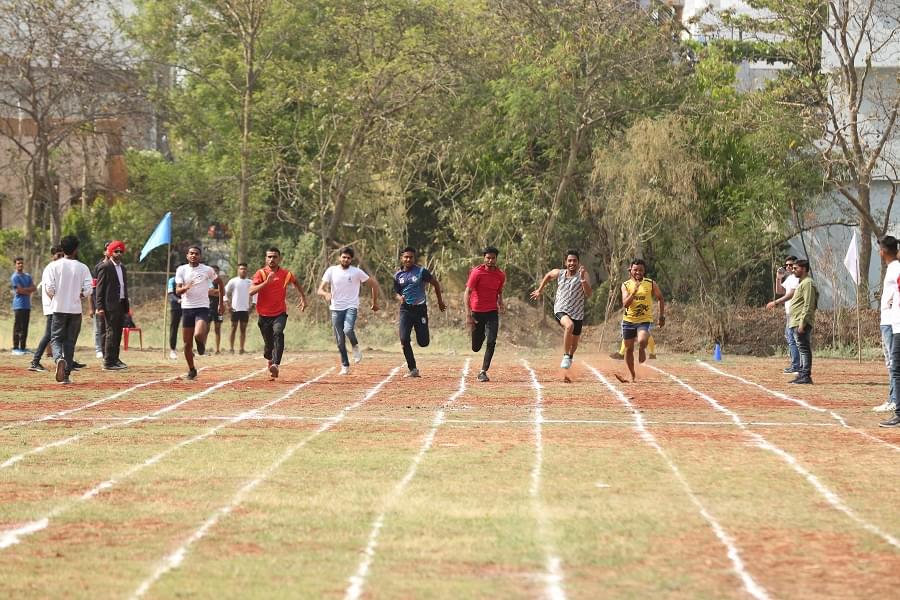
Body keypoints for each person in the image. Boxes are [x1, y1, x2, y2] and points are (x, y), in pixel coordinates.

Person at [530, 250, 592, 379]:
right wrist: (540, 290)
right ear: (565, 262)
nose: (572, 263)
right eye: (569, 260)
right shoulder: (559, 273)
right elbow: (548, 276)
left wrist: (582, 279)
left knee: (574, 345)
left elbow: (589, 294)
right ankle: (565, 355)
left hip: (577, 313)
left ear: (578, 262)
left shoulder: (584, 275)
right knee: (569, 326)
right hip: (561, 309)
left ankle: (569, 356)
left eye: (574, 260)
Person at [317, 247, 379, 374]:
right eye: (343, 257)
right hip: (336, 308)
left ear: (352, 259)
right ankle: (345, 365)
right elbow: (320, 289)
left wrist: (374, 302)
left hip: (351, 306)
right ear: (339, 257)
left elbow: (373, 284)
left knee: (348, 329)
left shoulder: (356, 272)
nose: (345, 259)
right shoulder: (331, 270)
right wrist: (326, 294)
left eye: (348, 258)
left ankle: (355, 346)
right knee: (340, 340)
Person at [249, 247, 307, 380]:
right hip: (263, 316)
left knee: (278, 332)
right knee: (268, 346)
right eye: (269, 257)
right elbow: (251, 291)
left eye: (274, 257)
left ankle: (276, 364)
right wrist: (266, 283)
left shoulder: (286, 274)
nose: (272, 259)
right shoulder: (261, 273)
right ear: (265, 258)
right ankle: (269, 358)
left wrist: (303, 297)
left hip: (279, 313)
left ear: (279, 258)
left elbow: (296, 282)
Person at [43, 235, 93, 384]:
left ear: (62, 248)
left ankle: (59, 359)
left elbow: (49, 288)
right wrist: (81, 294)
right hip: (75, 309)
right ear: (76, 250)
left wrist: (54, 297)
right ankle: (66, 375)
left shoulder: (53, 266)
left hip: (58, 308)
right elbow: (89, 288)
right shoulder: (82, 267)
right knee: (70, 342)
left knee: (56, 339)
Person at [393, 246, 446, 378]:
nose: (408, 259)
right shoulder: (398, 275)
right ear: (401, 258)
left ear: (414, 258)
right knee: (404, 339)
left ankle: (422, 332)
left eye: (410, 257)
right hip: (406, 309)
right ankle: (413, 369)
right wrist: (400, 298)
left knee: (423, 342)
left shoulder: (422, 271)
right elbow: (396, 292)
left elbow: (436, 284)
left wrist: (440, 301)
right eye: (405, 257)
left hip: (420, 310)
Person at [174, 246, 225, 380]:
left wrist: (221, 303)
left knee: (199, 334)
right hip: (187, 308)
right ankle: (192, 369)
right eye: (191, 253)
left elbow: (220, 283)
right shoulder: (181, 270)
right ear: (187, 255)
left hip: (202, 307)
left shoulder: (207, 270)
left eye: (196, 254)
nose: (193, 256)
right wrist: (186, 287)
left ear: (200, 256)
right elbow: (177, 291)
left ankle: (201, 345)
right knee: (187, 344)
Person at [620, 258, 665, 382]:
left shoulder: (650, 283)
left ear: (644, 271)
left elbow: (660, 298)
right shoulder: (625, 285)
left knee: (642, 339)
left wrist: (661, 316)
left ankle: (641, 349)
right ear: (631, 270)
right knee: (628, 349)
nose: (638, 272)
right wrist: (633, 292)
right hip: (628, 321)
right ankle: (632, 374)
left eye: (641, 270)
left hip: (643, 320)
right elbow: (625, 304)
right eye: (635, 270)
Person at [464, 246, 505, 382]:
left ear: (496, 259)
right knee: (476, 347)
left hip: (492, 312)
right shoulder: (477, 273)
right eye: (488, 258)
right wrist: (468, 315)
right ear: (484, 258)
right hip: (477, 313)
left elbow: (499, 291)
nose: (490, 260)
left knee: (491, 341)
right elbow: (467, 293)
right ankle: (479, 337)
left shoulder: (500, 275)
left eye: (493, 258)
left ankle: (483, 371)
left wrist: (501, 303)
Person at [95, 240, 130, 371]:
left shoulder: (123, 268)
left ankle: (115, 358)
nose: (119, 253)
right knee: (110, 332)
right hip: (109, 304)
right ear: (110, 252)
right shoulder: (105, 267)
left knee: (118, 332)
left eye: (121, 251)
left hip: (121, 303)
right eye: (116, 251)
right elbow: (100, 288)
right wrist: (99, 307)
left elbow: (123, 286)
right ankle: (108, 361)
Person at [28, 245, 64, 372]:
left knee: (58, 334)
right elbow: (49, 290)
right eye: (58, 255)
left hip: (57, 306)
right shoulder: (50, 268)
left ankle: (65, 360)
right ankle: (35, 361)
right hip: (52, 307)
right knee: (49, 335)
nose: (60, 258)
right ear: (52, 256)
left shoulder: (59, 268)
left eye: (62, 255)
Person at [874, 237, 900, 412]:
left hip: (893, 321)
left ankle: (894, 400)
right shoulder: (891, 268)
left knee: (893, 363)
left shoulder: (896, 267)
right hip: (887, 319)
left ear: (883, 251)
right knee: (889, 361)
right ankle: (892, 397)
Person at [766, 255, 800, 375]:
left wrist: (775, 303)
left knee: (793, 339)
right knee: (791, 338)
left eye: (791, 265)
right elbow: (780, 291)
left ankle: (796, 366)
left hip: (795, 312)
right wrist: (778, 278)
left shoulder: (797, 278)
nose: (789, 267)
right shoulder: (790, 278)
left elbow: (790, 294)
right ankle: (796, 364)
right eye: (787, 265)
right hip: (789, 312)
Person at [788, 259, 817, 384]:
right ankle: (801, 373)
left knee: (804, 348)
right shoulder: (802, 283)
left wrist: (802, 322)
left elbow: (808, 304)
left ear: (804, 269)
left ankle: (806, 375)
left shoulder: (808, 283)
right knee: (800, 348)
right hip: (795, 321)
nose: (793, 270)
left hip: (801, 321)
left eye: (796, 268)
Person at [224, 263, 253, 354]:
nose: (243, 270)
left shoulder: (250, 282)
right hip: (235, 309)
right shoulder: (233, 281)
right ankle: (231, 348)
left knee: (243, 329)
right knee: (233, 328)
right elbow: (224, 292)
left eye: (244, 269)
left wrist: (253, 305)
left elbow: (256, 293)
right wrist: (227, 304)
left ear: (247, 270)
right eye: (241, 269)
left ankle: (241, 348)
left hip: (245, 309)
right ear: (238, 270)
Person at [10, 256, 35, 355]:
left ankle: (23, 347)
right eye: (18, 263)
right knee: (18, 327)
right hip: (18, 305)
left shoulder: (27, 276)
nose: (20, 265)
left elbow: (34, 288)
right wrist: (27, 290)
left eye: (21, 263)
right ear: (15, 265)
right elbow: (18, 290)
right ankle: (15, 348)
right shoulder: (14, 277)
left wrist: (26, 290)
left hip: (27, 305)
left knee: (25, 327)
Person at [208, 265, 224, 354]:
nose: (215, 273)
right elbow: (206, 292)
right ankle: (203, 348)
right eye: (213, 271)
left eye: (216, 271)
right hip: (208, 308)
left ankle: (217, 349)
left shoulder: (219, 281)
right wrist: (216, 292)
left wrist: (212, 292)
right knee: (206, 328)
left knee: (218, 329)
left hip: (219, 309)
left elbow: (222, 293)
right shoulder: (207, 281)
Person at [167, 275, 182, 359]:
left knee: (188, 327)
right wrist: (178, 300)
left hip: (187, 305)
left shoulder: (186, 279)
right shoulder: (172, 280)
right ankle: (173, 350)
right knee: (174, 327)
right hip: (175, 306)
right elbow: (170, 294)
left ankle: (188, 349)